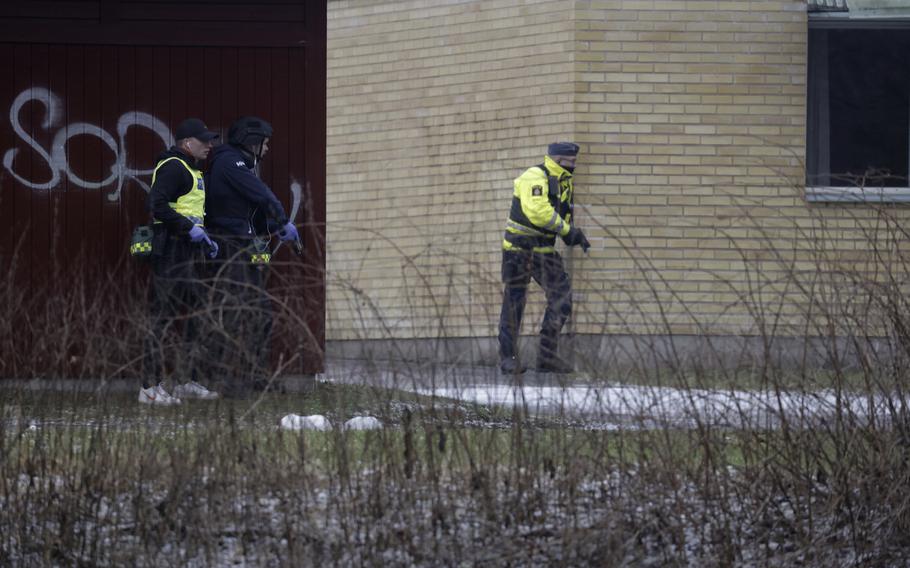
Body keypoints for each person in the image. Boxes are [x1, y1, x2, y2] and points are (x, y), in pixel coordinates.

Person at [204, 116, 299, 398]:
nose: (267, 149)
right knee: (234, 313)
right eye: (265, 143)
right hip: (230, 247)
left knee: (259, 313)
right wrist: (282, 220)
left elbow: (245, 214)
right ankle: (224, 380)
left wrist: (272, 229)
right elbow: (262, 195)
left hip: (242, 245)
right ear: (252, 141)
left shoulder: (240, 165)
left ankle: (256, 376)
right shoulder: (229, 163)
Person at [140, 118, 222, 404]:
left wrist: (204, 238)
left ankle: (188, 380)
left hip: (188, 252)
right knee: (162, 318)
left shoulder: (191, 169)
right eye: (204, 140)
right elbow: (156, 204)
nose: (210, 145)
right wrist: (190, 229)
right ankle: (149, 388)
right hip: (171, 251)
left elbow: (190, 211)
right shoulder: (174, 167)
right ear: (188, 143)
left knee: (196, 317)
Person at [498, 142, 591, 375]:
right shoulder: (534, 176)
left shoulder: (563, 182)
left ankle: (547, 357)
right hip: (518, 250)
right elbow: (537, 212)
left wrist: (572, 233)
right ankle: (508, 359)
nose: (574, 166)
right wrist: (567, 231)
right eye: (571, 162)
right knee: (514, 304)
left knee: (562, 298)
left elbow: (560, 214)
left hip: (544, 251)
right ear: (559, 160)